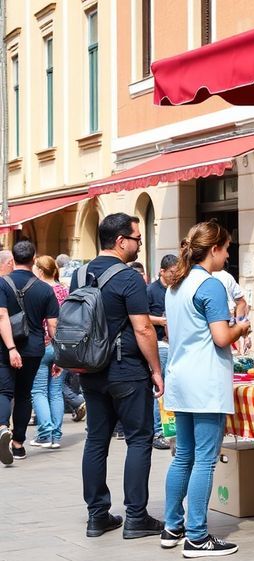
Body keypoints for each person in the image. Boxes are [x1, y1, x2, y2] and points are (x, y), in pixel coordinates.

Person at [72, 213, 164, 539]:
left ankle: (97, 516)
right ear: (121, 241)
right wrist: (156, 370)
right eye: (137, 238)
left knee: (96, 441)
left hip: (90, 369)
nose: (140, 243)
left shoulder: (80, 273)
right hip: (126, 371)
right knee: (139, 439)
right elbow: (142, 327)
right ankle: (136, 517)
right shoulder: (129, 277)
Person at [162, 221, 250, 558]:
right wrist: (241, 327)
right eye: (226, 249)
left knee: (183, 455)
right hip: (205, 380)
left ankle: (173, 527)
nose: (228, 256)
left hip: (181, 377)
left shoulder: (177, 284)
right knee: (205, 460)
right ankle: (197, 536)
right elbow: (221, 337)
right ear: (213, 249)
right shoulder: (209, 286)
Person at [0, 241, 60, 464]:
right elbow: (53, 325)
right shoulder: (46, 289)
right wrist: (59, 356)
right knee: (25, 395)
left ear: (13, 260)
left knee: (5, 392)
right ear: (34, 259)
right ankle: (18, 445)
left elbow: (1, 316)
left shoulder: (2, 284)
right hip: (35, 348)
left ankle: (2, 427)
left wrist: (11, 348)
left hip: (5, 349)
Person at [29, 255, 70, 449]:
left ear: (39, 270)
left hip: (42, 344)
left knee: (38, 390)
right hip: (62, 346)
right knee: (56, 392)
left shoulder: (38, 290)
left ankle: (45, 434)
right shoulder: (64, 290)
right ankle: (56, 435)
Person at [147, 254, 178, 451]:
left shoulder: (177, 289)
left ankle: (170, 429)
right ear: (162, 271)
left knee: (171, 386)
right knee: (161, 387)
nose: (175, 276)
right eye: (172, 273)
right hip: (160, 343)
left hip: (176, 343)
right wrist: (160, 320)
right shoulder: (151, 290)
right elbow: (141, 317)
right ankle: (158, 431)